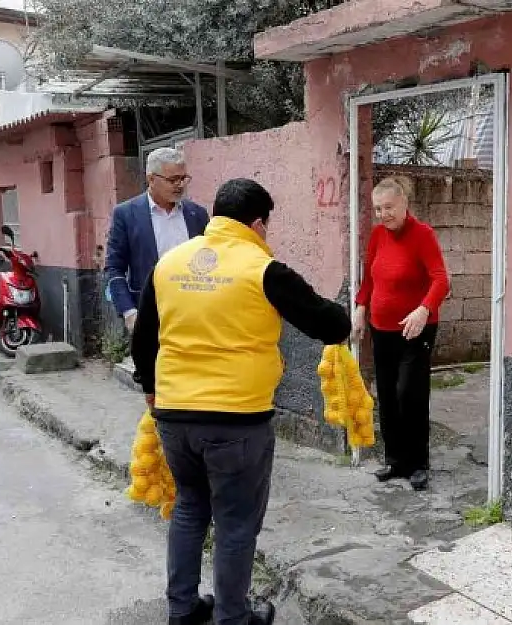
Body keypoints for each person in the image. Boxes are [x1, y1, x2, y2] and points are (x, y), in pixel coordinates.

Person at [130, 178, 352, 625]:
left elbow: (143, 340)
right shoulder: (263, 268)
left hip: (174, 416)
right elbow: (331, 325)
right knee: (235, 521)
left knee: (190, 509)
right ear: (257, 223)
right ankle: (233, 617)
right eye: (265, 226)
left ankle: (184, 611)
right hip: (236, 422)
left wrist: (153, 390)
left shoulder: (169, 263)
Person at [351, 176, 450, 492]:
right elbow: (370, 279)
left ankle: (418, 463)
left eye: (388, 207)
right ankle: (395, 461)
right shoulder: (378, 236)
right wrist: (360, 307)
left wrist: (424, 309)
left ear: (404, 204)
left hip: (416, 328)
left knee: (411, 393)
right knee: (388, 395)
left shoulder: (423, 235)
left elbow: (440, 280)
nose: (383, 214)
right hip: (382, 329)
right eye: (378, 209)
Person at [105, 146, 210, 333]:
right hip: (150, 315)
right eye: (172, 180)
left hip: (196, 314)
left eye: (183, 178)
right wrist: (129, 311)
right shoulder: (126, 214)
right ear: (151, 179)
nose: (180, 185)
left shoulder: (197, 214)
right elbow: (114, 268)